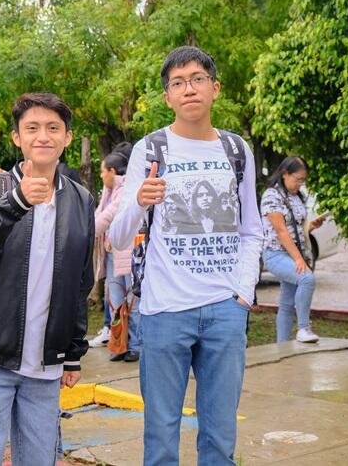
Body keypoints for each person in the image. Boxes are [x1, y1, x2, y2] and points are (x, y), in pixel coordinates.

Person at [109, 46, 263, 465]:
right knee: (161, 437)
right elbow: (118, 237)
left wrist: (243, 293)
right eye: (178, 83)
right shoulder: (150, 149)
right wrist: (138, 200)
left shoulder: (236, 149)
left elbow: (252, 229)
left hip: (225, 310)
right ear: (167, 97)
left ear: (215, 88)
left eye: (197, 79)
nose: (188, 89)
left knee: (220, 437)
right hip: (164, 311)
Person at [0, 92, 94, 465]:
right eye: (32, 128)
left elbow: (81, 282)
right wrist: (17, 202)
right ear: (17, 137)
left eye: (53, 128)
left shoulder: (80, 200)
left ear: (67, 137)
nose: (43, 136)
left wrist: (73, 354)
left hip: (46, 366)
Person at [260, 156, 325, 343]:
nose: (300, 184)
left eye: (303, 180)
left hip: (293, 252)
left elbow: (295, 228)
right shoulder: (272, 196)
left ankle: (282, 346)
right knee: (306, 278)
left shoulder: (296, 196)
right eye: (297, 179)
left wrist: (311, 226)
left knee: (287, 303)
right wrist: (298, 259)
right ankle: (304, 328)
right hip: (275, 254)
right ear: (284, 174)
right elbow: (281, 230)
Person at [95, 149, 141, 362]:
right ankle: (120, 344)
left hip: (128, 254)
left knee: (132, 301)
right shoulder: (108, 191)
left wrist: (85, 231)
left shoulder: (125, 190)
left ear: (112, 171)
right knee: (115, 301)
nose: (101, 175)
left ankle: (135, 346)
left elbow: (106, 217)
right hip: (112, 253)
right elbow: (99, 214)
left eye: (103, 171)